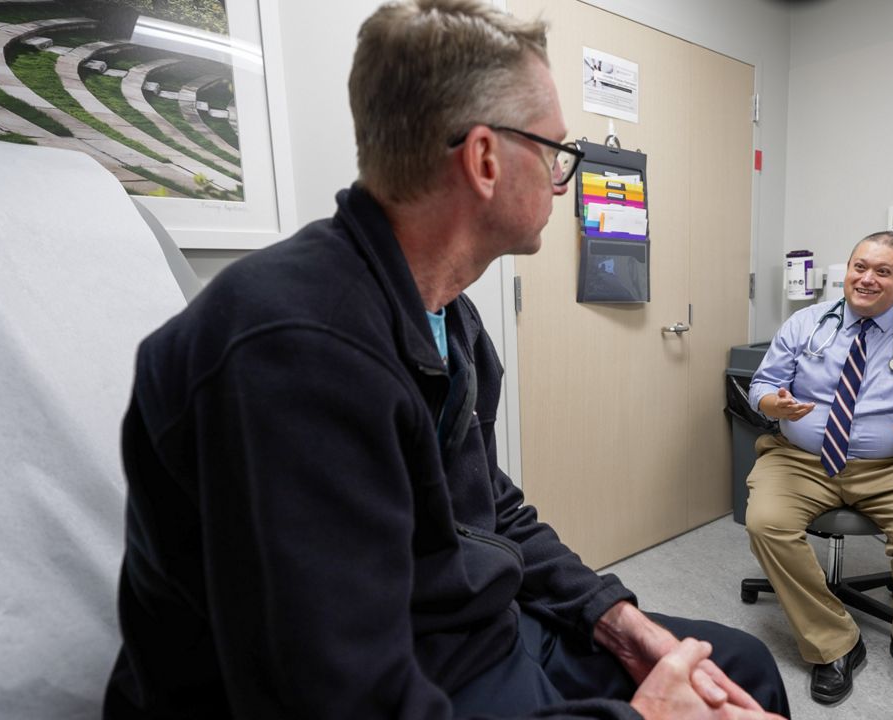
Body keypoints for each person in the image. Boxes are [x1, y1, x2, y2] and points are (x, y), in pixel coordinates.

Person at [102, 2, 788, 719]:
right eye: (556, 152)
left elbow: (487, 511)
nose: (564, 178)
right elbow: (340, 698)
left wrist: (611, 615)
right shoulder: (291, 352)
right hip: (399, 670)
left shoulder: (443, 312)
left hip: (469, 631)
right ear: (486, 159)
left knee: (741, 666)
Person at [745, 231, 893, 712]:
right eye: (859, 267)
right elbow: (763, 383)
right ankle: (835, 643)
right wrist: (775, 404)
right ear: (847, 270)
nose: (866, 279)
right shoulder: (807, 321)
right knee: (766, 522)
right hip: (801, 459)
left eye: (883, 271)